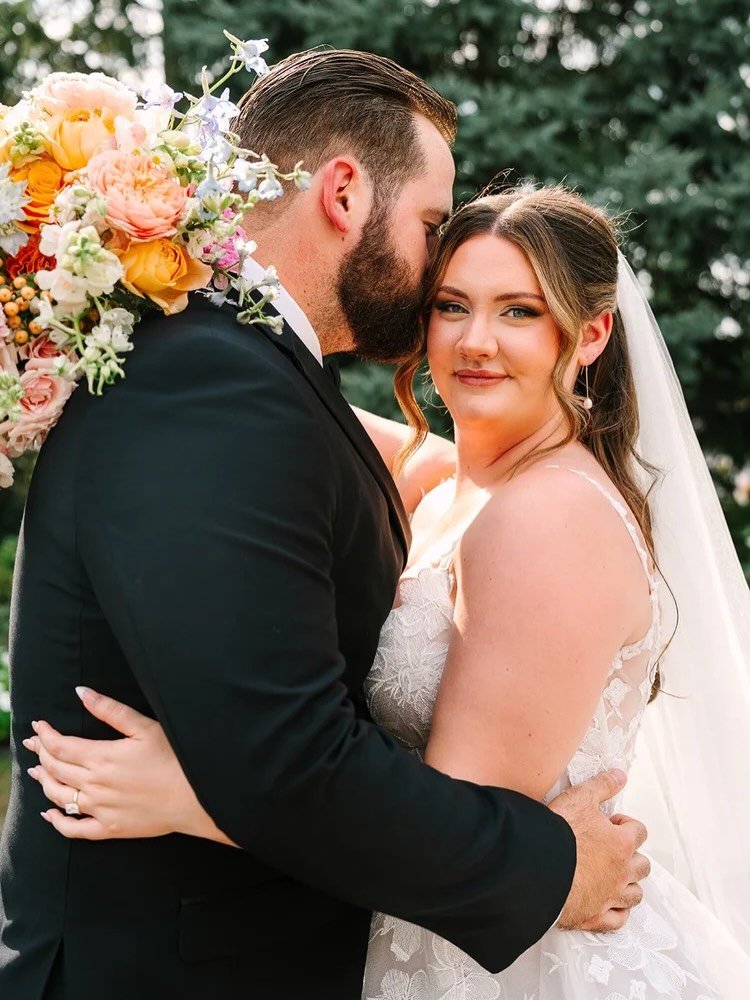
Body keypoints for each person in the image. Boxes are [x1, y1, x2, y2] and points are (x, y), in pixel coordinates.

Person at [0, 53, 647, 1000]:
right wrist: (553, 870)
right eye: (431, 226)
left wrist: (195, 792)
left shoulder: (245, 371)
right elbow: (286, 760)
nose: (437, 282)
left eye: (517, 310)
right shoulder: (216, 379)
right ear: (344, 194)